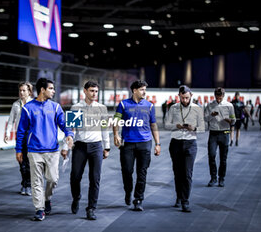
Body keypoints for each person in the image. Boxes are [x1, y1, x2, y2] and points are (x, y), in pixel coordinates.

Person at [15, 78, 74, 221]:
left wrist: (69, 134)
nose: (53, 91)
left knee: (53, 179)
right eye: (51, 88)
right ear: (42, 89)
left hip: (52, 151)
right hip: (34, 151)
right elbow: (21, 131)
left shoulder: (55, 107)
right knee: (36, 181)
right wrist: (18, 149)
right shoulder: (28, 108)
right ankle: (39, 209)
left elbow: (64, 124)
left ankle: (47, 199)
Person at [62, 81, 110, 220]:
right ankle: (76, 197)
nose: (94, 94)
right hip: (80, 146)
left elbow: (104, 129)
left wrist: (106, 147)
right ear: (84, 91)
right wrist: (66, 147)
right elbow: (71, 129)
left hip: (96, 146)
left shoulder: (102, 108)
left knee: (95, 179)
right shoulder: (76, 107)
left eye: (96, 91)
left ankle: (91, 208)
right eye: (91, 91)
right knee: (75, 177)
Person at [113, 80, 161, 211]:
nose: (144, 92)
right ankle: (128, 191)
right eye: (141, 89)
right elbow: (115, 120)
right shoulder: (123, 104)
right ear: (134, 90)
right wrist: (116, 134)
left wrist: (157, 143)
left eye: (145, 89)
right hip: (127, 144)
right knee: (127, 171)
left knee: (142, 173)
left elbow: (153, 125)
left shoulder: (150, 106)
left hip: (145, 144)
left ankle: (138, 199)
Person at [164, 85, 205, 213]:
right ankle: (178, 196)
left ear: (191, 95)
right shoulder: (173, 108)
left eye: (187, 98)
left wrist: (194, 128)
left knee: (187, 174)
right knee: (177, 173)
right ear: (179, 96)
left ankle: (185, 201)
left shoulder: (197, 109)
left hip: (190, 143)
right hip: (175, 143)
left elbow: (203, 128)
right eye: (182, 98)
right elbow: (166, 124)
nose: (185, 100)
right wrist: (176, 125)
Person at [4, 82, 34, 196]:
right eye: (20, 90)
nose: (21, 92)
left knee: (30, 162)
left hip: (31, 137)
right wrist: (7, 133)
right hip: (20, 136)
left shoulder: (34, 103)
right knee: (21, 161)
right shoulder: (16, 104)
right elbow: (11, 120)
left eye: (24, 90)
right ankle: (24, 183)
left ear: (29, 92)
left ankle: (29, 185)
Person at [204, 87, 236, 188]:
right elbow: (205, 118)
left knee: (223, 158)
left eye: (220, 98)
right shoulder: (210, 105)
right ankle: (213, 177)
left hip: (225, 132)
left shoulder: (229, 105)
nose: (218, 99)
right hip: (213, 133)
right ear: (215, 96)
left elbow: (234, 120)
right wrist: (211, 115)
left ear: (223, 96)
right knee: (211, 155)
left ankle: (221, 178)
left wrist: (228, 120)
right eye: (217, 98)